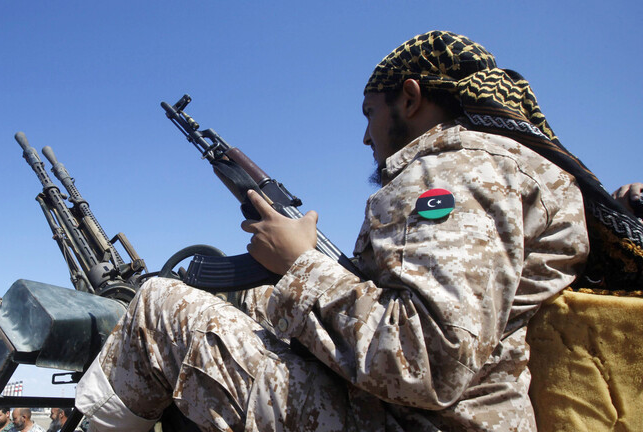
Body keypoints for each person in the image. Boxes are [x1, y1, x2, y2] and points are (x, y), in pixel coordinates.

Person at [75, 30, 643, 431]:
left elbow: (428, 360)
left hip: (411, 419)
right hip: (440, 413)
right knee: (247, 297)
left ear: (410, 98)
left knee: (159, 305)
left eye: (370, 113)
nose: (366, 137)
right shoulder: (517, 170)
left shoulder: (458, 171)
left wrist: (300, 265)